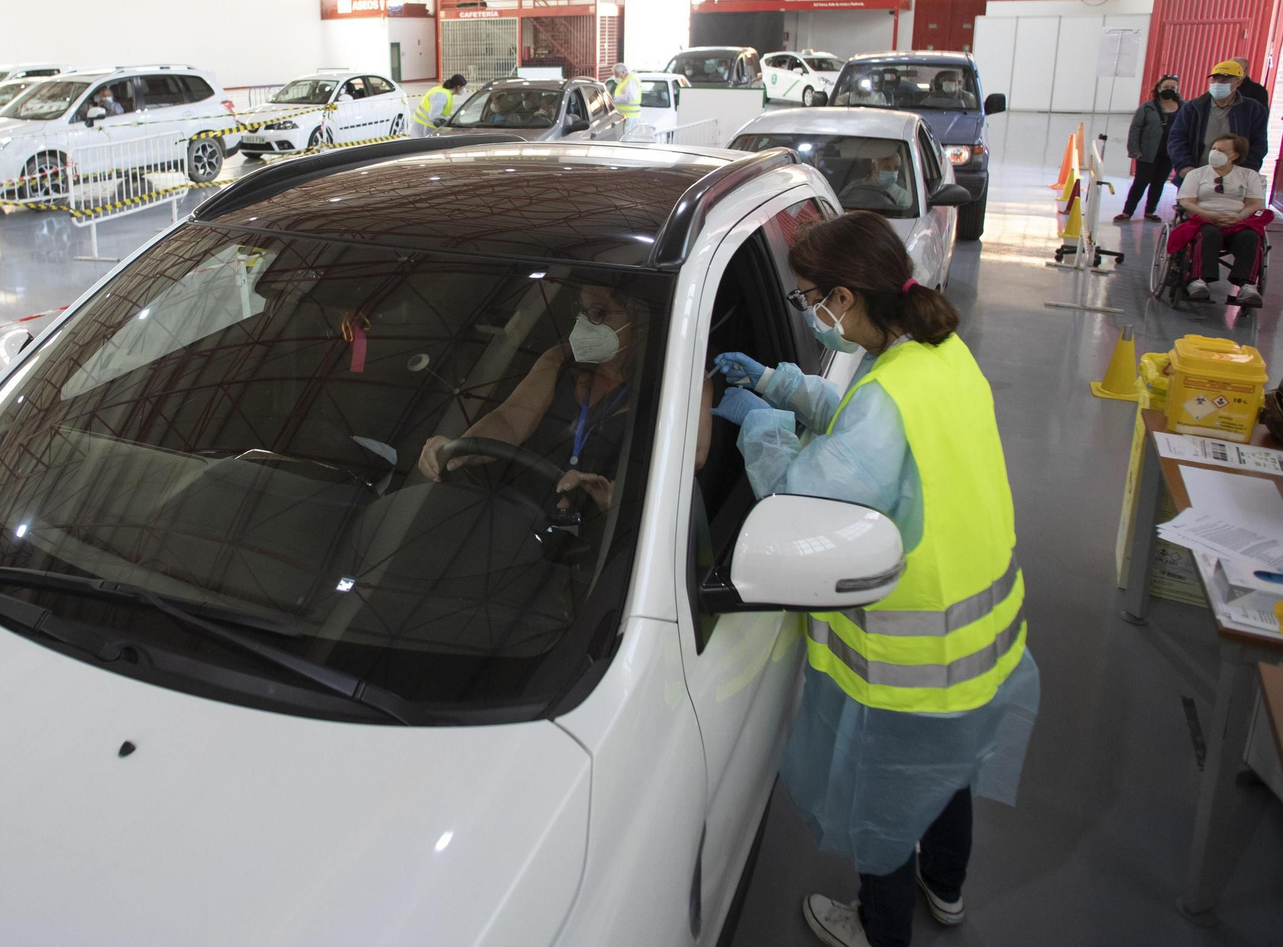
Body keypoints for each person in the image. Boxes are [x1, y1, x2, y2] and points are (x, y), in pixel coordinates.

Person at [709, 212, 1039, 947]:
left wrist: (761, 423)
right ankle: (945, 888)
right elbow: (866, 426)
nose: (809, 314)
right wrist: (779, 383)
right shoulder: (937, 354)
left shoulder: (890, 394)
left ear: (844, 299)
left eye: (808, 300)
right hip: (980, 642)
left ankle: (879, 929)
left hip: (908, 662)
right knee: (947, 775)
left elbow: (803, 490)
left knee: (885, 799)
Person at [419, 283, 713, 509]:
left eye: (599, 312)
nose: (585, 322)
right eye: (583, 311)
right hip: (524, 511)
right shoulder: (560, 360)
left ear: (639, 318)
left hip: (609, 531)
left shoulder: (682, 379)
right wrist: (463, 447)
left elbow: (691, 460)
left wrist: (621, 494)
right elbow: (509, 420)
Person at [1173, 132, 1269, 306]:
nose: (1215, 153)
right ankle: (1199, 280)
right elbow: (1186, 202)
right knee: (1209, 233)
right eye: (1214, 148)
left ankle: (1247, 285)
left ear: (1235, 155)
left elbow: (1255, 203)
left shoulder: (1248, 175)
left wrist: (1239, 216)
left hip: (1237, 221)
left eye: (1221, 150)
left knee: (1251, 236)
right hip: (1203, 218)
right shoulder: (1197, 174)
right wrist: (1209, 215)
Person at [1168, 59, 1269, 175]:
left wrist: (1246, 170)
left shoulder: (1253, 110)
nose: (1218, 83)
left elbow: (1259, 144)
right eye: (1214, 79)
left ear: (1238, 82)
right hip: (1195, 174)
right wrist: (1184, 166)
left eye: (1225, 79)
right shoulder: (1193, 107)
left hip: (1234, 177)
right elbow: (1176, 138)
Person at [1115, 74, 1182, 222]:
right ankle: (1127, 212)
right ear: (1159, 88)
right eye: (1166, 87)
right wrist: (1134, 150)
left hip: (1169, 154)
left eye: (1173, 88)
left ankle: (1150, 211)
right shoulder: (1147, 107)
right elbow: (1135, 128)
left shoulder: (1183, 107)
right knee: (1140, 182)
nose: (1169, 90)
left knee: (1159, 183)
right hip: (1147, 153)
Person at [840, 151, 912, 210]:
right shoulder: (853, 187)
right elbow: (839, 206)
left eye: (896, 168)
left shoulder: (902, 195)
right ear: (874, 167)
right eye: (887, 167)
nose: (892, 172)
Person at [410, 73, 468, 138]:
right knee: (424, 142)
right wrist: (449, 120)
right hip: (425, 124)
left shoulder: (449, 93)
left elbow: (443, 111)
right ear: (458, 87)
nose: (464, 90)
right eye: (463, 87)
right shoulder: (441, 95)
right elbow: (433, 116)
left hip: (428, 124)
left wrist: (454, 116)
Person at [611, 62, 642, 133]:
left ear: (623, 72)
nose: (616, 77)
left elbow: (630, 97)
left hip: (630, 116)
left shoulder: (631, 80)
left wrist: (615, 98)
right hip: (626, 116)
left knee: (628, 136)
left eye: (616, 75)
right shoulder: (624, 81)